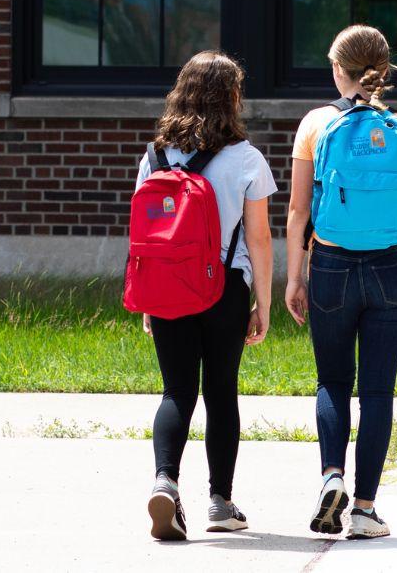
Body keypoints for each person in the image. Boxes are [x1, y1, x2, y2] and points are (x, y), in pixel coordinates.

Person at [282, 24, 397, 541]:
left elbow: (299, 210)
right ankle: (365, 510)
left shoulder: (315, 124)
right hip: (391, 265)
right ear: (384, 71)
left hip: (330, 264)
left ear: (337, 70)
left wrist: (293, 276)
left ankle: (331, 476)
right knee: (378, 392)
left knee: (332, 382)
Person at [134, 52, 276, 541]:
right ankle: (220, 502)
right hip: (224, 290)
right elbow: (258, 239)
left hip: (167, 288)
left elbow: (142, 236)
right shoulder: (246, 158)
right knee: (220, 393)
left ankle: (165, 483)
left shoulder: (154, 156)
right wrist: (264, 302)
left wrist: (146, 296)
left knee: (176, 391)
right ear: (231, 98)